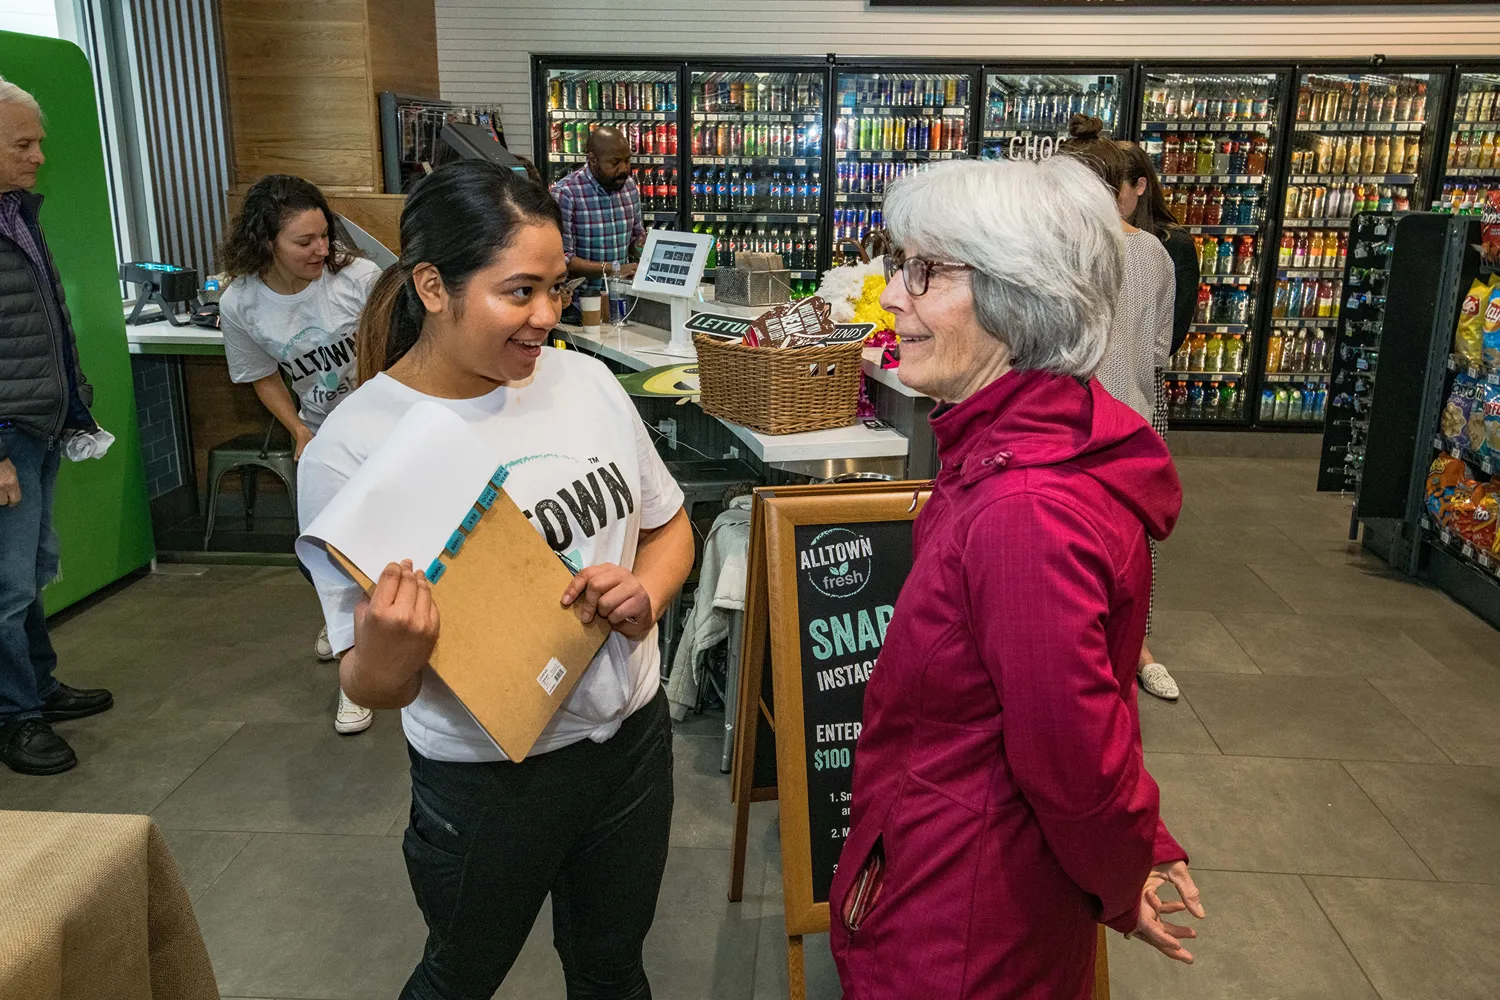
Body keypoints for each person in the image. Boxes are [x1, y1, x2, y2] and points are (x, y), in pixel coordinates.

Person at [299, 159, 693, 999]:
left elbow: (669, 525)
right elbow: (369, 686)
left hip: (630, 748)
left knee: (613, 967)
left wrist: (645, 596)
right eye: (519, 292)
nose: (548, 317)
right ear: (434, 286)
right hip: (486, 783)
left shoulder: (585, 380)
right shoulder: (355, 448)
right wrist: (388, 647)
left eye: (554, 288)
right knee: (462, 975)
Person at [828, 157, 1204, 1000]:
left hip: (964, 923)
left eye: (925, 271)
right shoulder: (1034, 444)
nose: (893, 295)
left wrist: (1124, 859)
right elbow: (1082, 703)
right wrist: (1136, 841)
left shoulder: (1022, 507)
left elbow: (1072, 759)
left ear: (1016, 297)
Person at [218, 174, 382, 733]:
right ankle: (347, 645)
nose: (321, 250)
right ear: (268, 243)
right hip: (322, 436)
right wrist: (297, 429)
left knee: (386, 545)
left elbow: (403, 346)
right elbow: (261, 374)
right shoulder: (240, 303)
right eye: (304, 241)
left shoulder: (358, 278)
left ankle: (357, 643)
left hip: (384, 428)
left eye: (324, 236)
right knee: (325, 552)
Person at [0, 76, 114, 776]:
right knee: (5, 587)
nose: (39, 154)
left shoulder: (17, 213)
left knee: (32, 573)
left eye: (37, 140)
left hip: (37, 426)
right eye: (23, 142)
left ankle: (37, 685)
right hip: (6, 436)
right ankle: (16, 718)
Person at [1061, 115, 1181, 702]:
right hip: (1128, 418)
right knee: (1129, 546)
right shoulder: (1152, 252)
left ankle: (1074, 648)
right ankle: (1134, 648)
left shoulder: (1057, 250)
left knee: (1066, 544)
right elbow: (1159, 349)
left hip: (1063, 418)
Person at [1120, 140, 1199, 359]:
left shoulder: (1174, 244)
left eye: (1116, 190)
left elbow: (1173, 331)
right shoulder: (1099, 236)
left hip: (1140, 374)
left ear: (1140, 186)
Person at [550, 126, 644, 296]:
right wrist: (613, 269)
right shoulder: (566, 193)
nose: (623, 169)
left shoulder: (629, 187)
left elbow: (635, 240)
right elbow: (562, 260)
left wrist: (644, 246)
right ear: (592, 159)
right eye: (614, 162)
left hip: (622, 299)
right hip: (579, 304)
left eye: (627, 160)